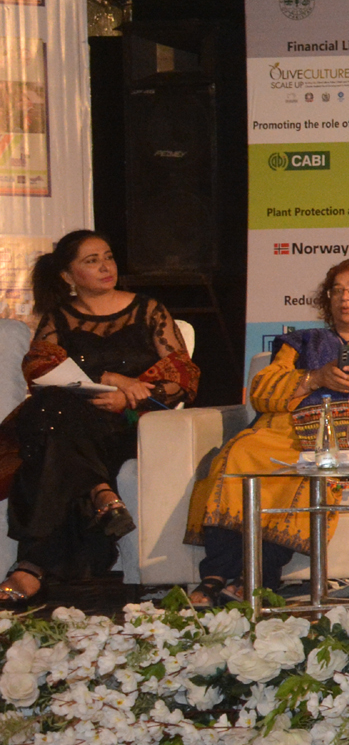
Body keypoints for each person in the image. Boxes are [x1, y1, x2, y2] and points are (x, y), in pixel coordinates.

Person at [185, 260, 349, 604]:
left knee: (308, 469)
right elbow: (262, 391)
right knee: (239, 452)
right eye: (337, 290)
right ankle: (215, 575)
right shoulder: (303, 343)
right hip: (281, 431)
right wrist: (315, 378)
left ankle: (257, 579)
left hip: (340, 437)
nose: (345, 297)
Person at [0, 231, 197, 607]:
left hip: (129, 423)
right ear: (67, 275)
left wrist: (128, 396)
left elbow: (182, 375)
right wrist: (108, 378)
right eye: (92, 261)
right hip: (73, 424)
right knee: (51, 409)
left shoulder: (148, 309)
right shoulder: (59, 317)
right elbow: (40, 368)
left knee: (49, 441)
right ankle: (99, 491)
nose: (106, 266)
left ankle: (32, 566)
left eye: (108, 257)